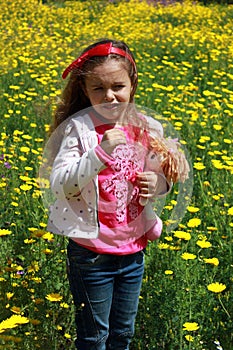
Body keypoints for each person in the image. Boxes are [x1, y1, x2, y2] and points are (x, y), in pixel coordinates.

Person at [47, 39, 172, 350]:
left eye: (118, 86)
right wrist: (100, 152)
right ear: (85, 91)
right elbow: (61, 184)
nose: (110, 96)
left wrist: (157, 185)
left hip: (133, 253)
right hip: (91, 254)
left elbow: (163, 177)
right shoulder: (79, 129)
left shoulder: (147, 127)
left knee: (123, 336)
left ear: (133, 85)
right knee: (94, 338)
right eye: (98, 88)